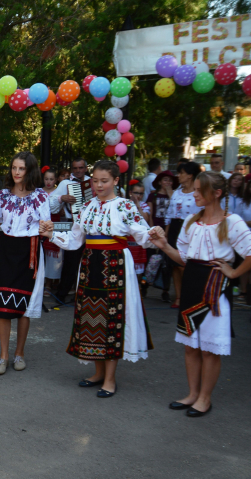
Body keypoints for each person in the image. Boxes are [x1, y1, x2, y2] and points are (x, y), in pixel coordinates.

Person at [148, 172, 251, 417]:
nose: (195, 194)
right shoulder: (191, 221)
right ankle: (192, 394)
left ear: (217, 193)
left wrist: (233, 273)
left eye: (199, 190)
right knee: (190, 346)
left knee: (209, 349)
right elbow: (184, 259)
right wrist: (164, 246)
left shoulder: (231, 222)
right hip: (192, 283)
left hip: (214, 287)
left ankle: (205, 398)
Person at [40, 160, 157, 397]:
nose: (99, 185)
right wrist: (51, 233)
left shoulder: (124, 206)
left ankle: (110, 379)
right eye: (95, 181)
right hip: (90, 263)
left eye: (104, 181)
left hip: (116, 264)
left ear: (115, 181)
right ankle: (98, 372)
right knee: (92, 316)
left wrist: (155, 234)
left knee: (112, 319)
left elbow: (142, 234)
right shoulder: (87, 207)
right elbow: (74, 241)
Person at [0, 152, 50, 375]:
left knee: (24, 307)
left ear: (30, 170)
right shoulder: (3, 196)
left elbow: (46, 227)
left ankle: (19, 354)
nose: (16, 172)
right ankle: (3, 356)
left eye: (21, 168)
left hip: (30, 252)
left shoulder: (41, 196)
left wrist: (49, 230)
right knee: (4, 305)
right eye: (14, 167)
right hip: (6, 250)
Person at [50, 157, 92, 304]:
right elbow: (50, 202)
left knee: (90, 262)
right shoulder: (66, 183)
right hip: (72, 224)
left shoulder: (92, 183)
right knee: (70, 262)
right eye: (75, 168)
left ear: (86, 168)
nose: (78, 171)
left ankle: (85, 295)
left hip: (91, 227)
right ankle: (62, 294)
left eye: (81, 168)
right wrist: (62, 198)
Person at [164, 162, 203, 308]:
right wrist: (167, 234)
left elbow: (203, 212)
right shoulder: (177, 191)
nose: (178, 176)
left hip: (191, 228)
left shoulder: (198, 192)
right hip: (175, 227)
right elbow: (170, 212)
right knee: (175, 264)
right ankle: (179, 297)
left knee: (185, 264)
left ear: (190, 175)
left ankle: (190, 296)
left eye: (181, 173)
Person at [145, 170, 177, 301]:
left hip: (167, 230)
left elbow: (173, 215)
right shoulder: (153, 195)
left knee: (166, 263)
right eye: (165, 180)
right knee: (150, 259)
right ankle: (145, 285)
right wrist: (152, 230)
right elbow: (151, 214)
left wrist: (167, 234)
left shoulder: (175, 196)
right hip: (154, 230)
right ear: (159, 182)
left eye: (170, 180)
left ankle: (165, 289)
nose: (168, 183)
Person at [40, 167, 63, 283]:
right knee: (41, 252)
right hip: (41, 223)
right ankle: (40, 280)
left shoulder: (59, 192)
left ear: (56, 180)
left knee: (53, 254)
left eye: (51, 179)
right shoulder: (38, 191)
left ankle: (49, 282)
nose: (48, 182)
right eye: (46, 179)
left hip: (54, 222)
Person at [127, 181, 152, 279]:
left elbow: (145, 219)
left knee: (138, 273)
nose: (139, 196)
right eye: (136, 193)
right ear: (130, 192)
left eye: (141, 193)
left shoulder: (144, 206)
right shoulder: (124, 204)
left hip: (138, 242)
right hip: (127, 240)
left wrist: (137, 205)